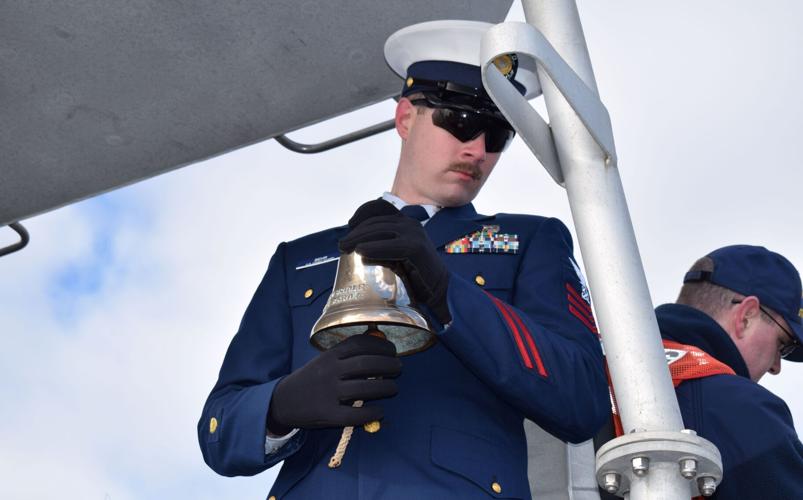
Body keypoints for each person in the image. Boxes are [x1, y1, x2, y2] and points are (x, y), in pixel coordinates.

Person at [198, 21, 609, 499]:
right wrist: (281, 406)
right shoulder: (300, 260)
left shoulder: (529, 241)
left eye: (498, 133)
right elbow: (218, 430)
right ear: (406, 118)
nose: (477, 149)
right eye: (459, 121)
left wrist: (446, 291)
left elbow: (582, 399)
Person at [601, 245, 803, 499]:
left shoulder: (590, 362)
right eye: (783, 345)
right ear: (746, 316)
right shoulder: (741, 407)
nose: (776, 366)